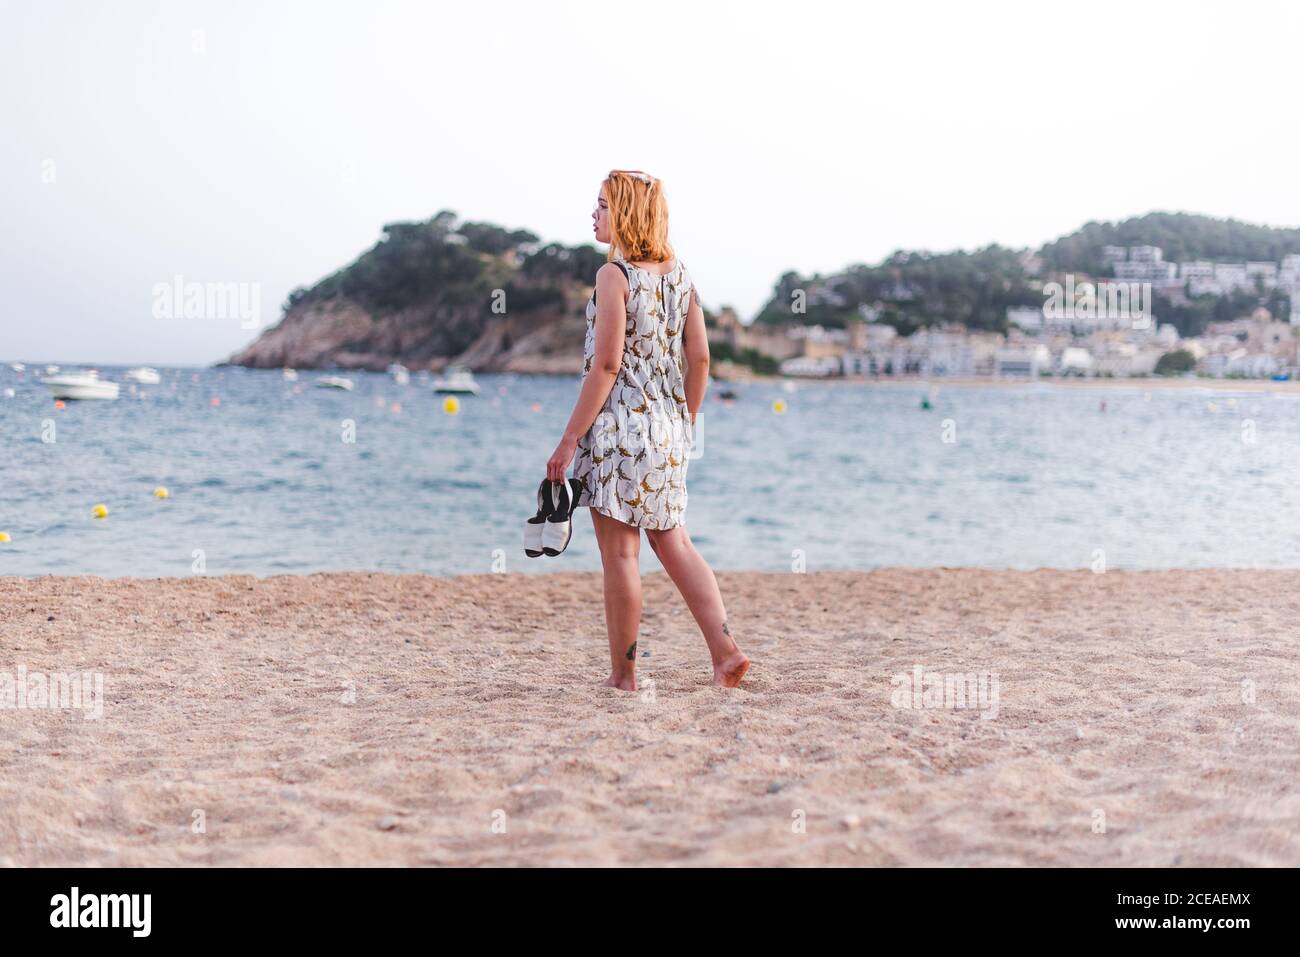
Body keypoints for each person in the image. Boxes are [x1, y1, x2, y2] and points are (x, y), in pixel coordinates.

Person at [545, 169, 749, 691]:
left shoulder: (614, 276)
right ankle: (724, 651)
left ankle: (625, 675)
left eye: (603, 205)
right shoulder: (682, 276)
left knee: (620, 554)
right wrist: (686, 421)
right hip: (668, 429)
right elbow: (700, 359)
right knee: (675, 542)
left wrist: (568, 441)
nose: (594, 214)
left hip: (617, 430)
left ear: (627, 214)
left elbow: (606, 366)